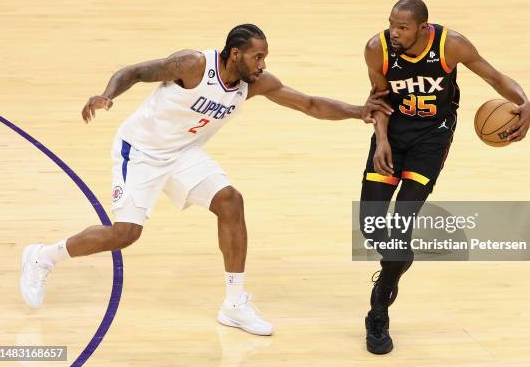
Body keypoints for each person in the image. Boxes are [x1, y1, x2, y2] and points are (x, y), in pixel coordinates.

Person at [20, 24, 392, 336]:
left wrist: (358, 111)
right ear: (234, 54)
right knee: (125, 234)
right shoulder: (193, 64)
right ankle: (42, 257)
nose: (263, 64)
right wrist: (106, 95)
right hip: (142, 151)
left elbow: (309, 104)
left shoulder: (256, 83)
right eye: (257, 56)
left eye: (265, 57)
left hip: (183, 153)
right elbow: (133, 72)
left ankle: (234, 303)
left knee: (230, 201)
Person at [359, 0, 530, 354]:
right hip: (393, 132)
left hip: (432, 136)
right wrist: (380, 142)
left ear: (423, 28)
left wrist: (525, 101)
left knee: (402, 221)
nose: (394, 32)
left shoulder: (450, 45)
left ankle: (379, 308)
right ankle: (398, 259)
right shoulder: (376, 49)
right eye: (391, 23)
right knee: (372, 226)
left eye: (402, 27)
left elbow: (494, 76)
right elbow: (378, 101)